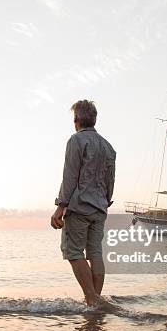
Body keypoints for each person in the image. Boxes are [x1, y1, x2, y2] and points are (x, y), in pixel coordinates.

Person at [51, 100, 116, 306]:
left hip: (79, 207)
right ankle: (94, 305)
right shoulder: (108, 147)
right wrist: (105, 200)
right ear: (94, 119)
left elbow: (70, 176)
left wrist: (60, 207)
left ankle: (92, 299)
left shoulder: (76, 141)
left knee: (74, 253)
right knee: (95, 253)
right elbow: (110, 179)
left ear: (76, 120)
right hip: (100, 207)